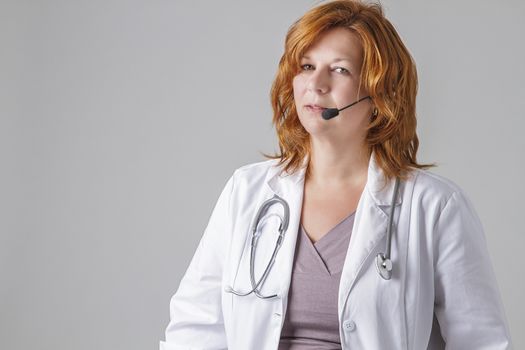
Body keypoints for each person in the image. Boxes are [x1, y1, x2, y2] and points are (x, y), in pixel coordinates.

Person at [160, 0, 512, 349]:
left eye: (340, 69)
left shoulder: (435, 206)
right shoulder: (247, 191)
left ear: (380, 92)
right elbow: (194, 330)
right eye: (307, 66)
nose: (316, 84)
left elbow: (481, 342)